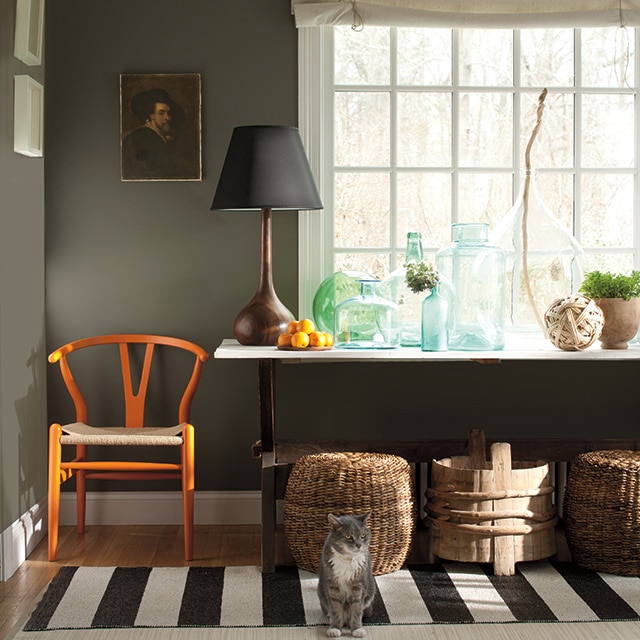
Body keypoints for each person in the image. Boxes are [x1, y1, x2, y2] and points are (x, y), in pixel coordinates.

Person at [121, 88, 185, 180]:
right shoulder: (142, 138)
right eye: (161, 113)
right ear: (151, 115)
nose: (167, 118)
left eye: (169, 113)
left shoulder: (159, 137)